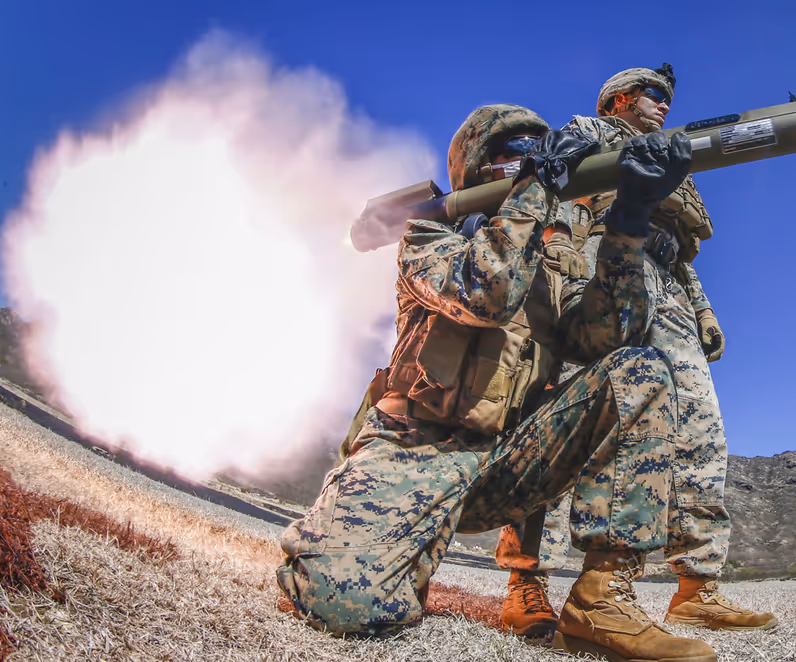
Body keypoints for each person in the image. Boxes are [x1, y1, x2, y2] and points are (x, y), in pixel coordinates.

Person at [276, 104, 718, 662]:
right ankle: (350, 537)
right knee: (345, 606)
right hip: (415, 450)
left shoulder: (556, 262)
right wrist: (535, 188)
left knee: (640, 371)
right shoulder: (430, 234)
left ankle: (601, 600)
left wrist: (630, 221)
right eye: (512, 152)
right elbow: (489, 293)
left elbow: (611, 337)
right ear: (478, 167)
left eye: (537, 150)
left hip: (508, 465)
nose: (528, 160)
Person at [496, 65, 778, 634]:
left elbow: (678, 251)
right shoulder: (593, 132)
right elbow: (563, 203)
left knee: (701, 431)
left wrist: (701, 311)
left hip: (667, 286)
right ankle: (526, 583)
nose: (664, 106)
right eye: (655, 95)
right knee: (566, 420)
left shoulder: (671, 157)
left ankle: (697, 585)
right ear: (620, 98)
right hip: (601, 276)